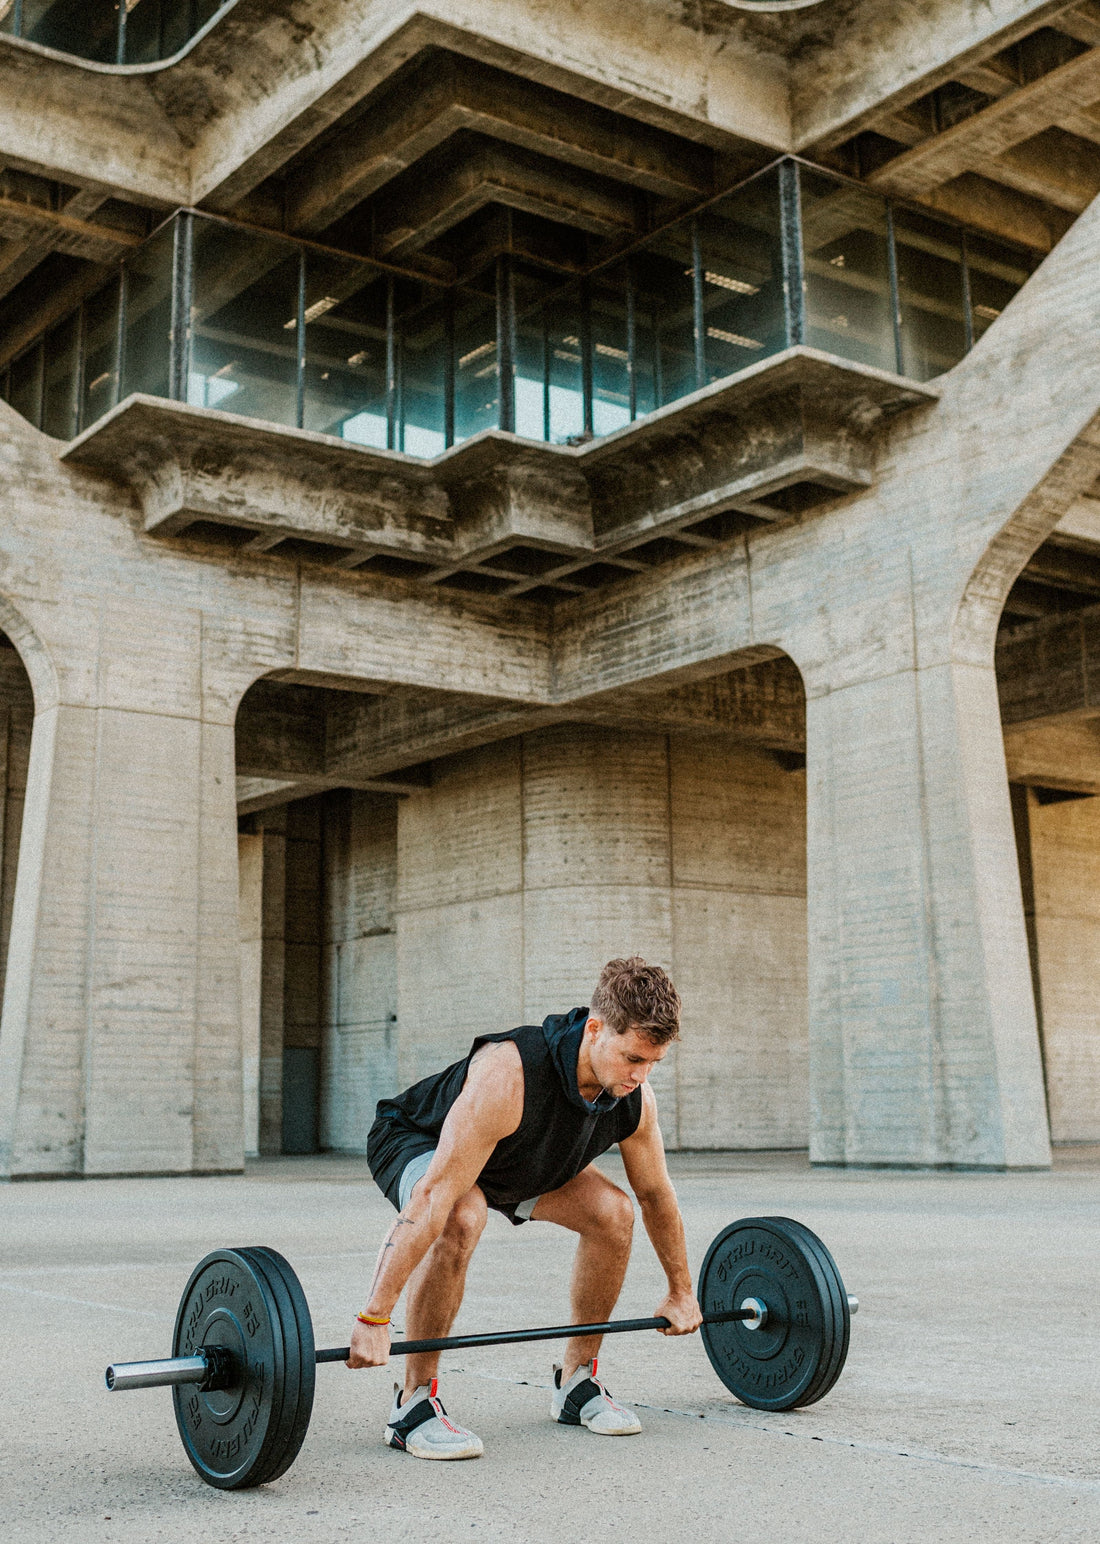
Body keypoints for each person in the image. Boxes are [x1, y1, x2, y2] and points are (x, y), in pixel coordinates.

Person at [346, 956, 703, 1459]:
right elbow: (434, 1196)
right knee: (460, 1215)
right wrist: (374, 1316)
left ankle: (577, 1383)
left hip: (515, 1157)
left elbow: (655, 1195)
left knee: (613, 1213)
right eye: (632, 1059)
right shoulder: (508, 1073)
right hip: (417, 1141)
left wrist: (682, 1292)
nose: (640, 1076)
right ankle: (413, 1405)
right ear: (595, 1029)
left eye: (652, 1063)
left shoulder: (632, 1097)